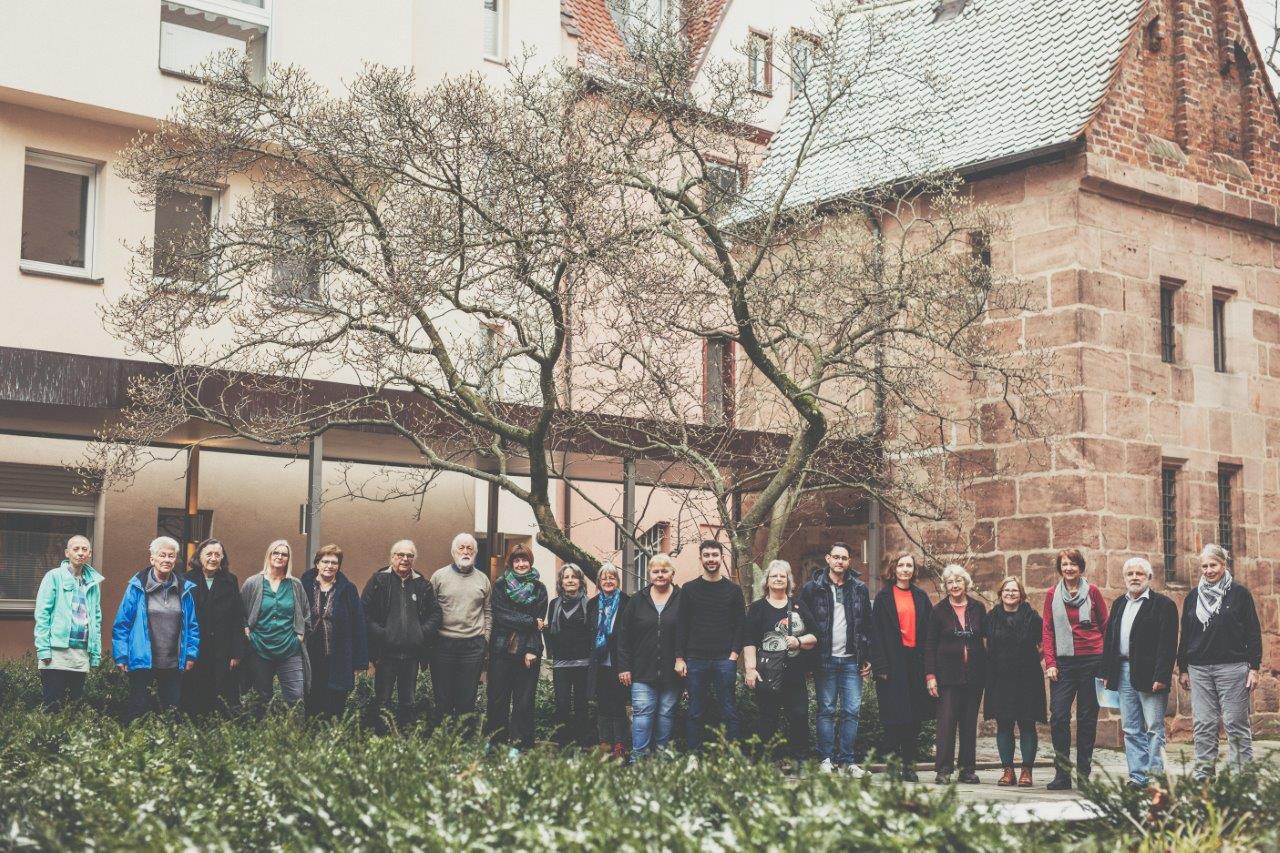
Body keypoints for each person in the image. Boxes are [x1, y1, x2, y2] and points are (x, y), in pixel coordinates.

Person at [1177, 544, 1262, 780]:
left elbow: (1253, 632)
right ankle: (1204, 772)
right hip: (1199, 669)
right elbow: (1186, 634)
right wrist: (1183, 668)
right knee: (1204, 723)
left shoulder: (1239, 594)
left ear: (1223, 565)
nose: (1208, 570)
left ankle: (1242, 775)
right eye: (1204, 566)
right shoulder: (1193, 596)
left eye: (1213, 565)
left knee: (1236, 722)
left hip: (1233, 668)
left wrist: (1254, 668)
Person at [1101, 557, 1178, 788]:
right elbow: (1110, 640)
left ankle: (1156, 776)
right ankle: (1137, 775)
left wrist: (1162, 676)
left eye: (1139, 574)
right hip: (1123, 671)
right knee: (1131, 728)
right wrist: (1107, 671)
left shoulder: (1163, 605)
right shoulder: (1118, 604)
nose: (1134, 577)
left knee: (1154, 727)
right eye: (1130, 574)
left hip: (1150, 674)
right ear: (1124, 578)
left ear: (1149, 578)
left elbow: (1168, 644)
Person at [800, 541, 874, 775]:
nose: (840, 561)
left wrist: (867, 656)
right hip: (825, 659)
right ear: (828, 559)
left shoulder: (859, 588)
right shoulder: (812, 588)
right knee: (826, 710)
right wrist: (809, 661)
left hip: (852, 659)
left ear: (849, 561)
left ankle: (848, 761)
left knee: (852, 711)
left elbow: (867, 625)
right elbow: (804, 625)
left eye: (844, 557)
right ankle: (826, 759)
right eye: (836, 557)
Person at [112, 536, 200, 723]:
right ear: (152, 559)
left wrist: (191, 654)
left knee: (172, 712)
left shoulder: (184, 589)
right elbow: (122, 623)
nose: (167, 560)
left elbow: (192, 625)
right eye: (162, 555)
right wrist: (121, 654)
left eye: (171, 556)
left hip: (173, 663)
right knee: (138, 711)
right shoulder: (137, 587)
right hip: (143, 661)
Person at [1042, 548, 1108, 790]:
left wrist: (1107, 664)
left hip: (1092, 660)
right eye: (1064, 564)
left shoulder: (1093, 592)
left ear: (1081, 567)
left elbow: (1105, 626)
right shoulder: (1052, 594)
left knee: (1086, 718)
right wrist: (1050, 663)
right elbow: (1047, 630)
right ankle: (1062, 774)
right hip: (1063, 663)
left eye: (1073, 564)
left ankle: (1083, 775)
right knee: (1058, 716)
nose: (1068, 568)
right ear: (1060, 568)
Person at [742, 560, 817, 765]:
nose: (778, 579)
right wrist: (750, 669)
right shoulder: (758, 608)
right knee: (767, 718)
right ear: (767, 581)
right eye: (774, 576)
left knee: (799, 716)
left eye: (782, 576)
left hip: (794, 674)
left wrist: (799, 641)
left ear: (788, 581)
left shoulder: (799, 605)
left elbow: (815, 636)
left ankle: (800, 760)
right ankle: (763, 761)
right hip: (767, 673)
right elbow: (748, 640)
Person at [869, 552, 935, 780]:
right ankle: (892, 765)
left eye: (910, 565)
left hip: (915, 663)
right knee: (894, 718)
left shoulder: (921, 597)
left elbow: (929, 633)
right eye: (901, 565)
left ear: (913, 570)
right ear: (894, 569)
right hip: (891, 663)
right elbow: (875, 634)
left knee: (914, 718)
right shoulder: (883, 597)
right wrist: (880, 667)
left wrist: (930, 667)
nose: (905, 569)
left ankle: (909, 766)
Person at [361, 539, 440, 729]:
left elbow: (436, 613)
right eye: (401, 555)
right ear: (392, 557)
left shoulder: (422, 584)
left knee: (408, 702)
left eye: (410, 556)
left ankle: (406, 742)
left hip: (412, 655)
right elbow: (363, 612)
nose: (405, 559)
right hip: (385, 654)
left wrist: (421, 632)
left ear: (414, 559)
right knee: (383, 700)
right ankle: (380, 741)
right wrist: (381, 633)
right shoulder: (378, 580)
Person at [675, 540, 744, 751]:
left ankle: (732, 755)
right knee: (695, 710)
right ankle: (694, 754)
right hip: (695, 660)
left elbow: (741, 626)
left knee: (728, 710)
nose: (711, 559)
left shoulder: (733, 590)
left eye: (715, 555)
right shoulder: (688, 589)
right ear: (701, 559)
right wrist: (679, 658)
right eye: (707, 555)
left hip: (725, 660)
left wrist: (733, 655)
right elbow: (681, 626)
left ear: (722, 557)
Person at [617, 553, 683, 759]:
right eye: (656, 571)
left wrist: (683, 660)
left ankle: (662, 760)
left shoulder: (682, 599)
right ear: (649, 574)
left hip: (673, 672)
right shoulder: (637, 600)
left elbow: (689, 633)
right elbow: (623, 635)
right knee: (642, 716)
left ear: (672, 574)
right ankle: (638, 759)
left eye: (664, 571)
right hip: (642, 670)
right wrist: (624, 666)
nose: (660, 575)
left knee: (665, 716)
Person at [925, 564, 987, 785]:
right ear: (945, 586)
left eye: (958, 581)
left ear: (965, 583)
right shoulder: (938, 610)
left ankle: (967, 769)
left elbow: (987, 637)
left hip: (974, 676)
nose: (954, 585)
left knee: (969, 723)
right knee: (946, 723)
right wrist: (930, 676)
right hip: (947, 677)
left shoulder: (978, 608)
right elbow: (930, 645)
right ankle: (943, 769)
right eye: (950, 582)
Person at [983, 576, 1046, 787]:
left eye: (1015, 590)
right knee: (1004, 724)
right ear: (1000, 594)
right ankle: (1008, 770)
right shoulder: (991, 617)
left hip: (1027, 677)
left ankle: (1026, 770)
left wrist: (1031, 660)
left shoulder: (1032, 617)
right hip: (999, 677)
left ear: (1021, 594)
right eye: (1007, 590)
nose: (1010, 594)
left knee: (1027, 723)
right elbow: (984, 643)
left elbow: (1044, 643)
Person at [484, 543, 547, 750]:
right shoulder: (500, 585)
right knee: (497, 700)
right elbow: (501, 616)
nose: (521, 564)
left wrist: (532, 649)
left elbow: (540, 620)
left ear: (530, 562)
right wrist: (529, 621)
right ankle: (496, 744)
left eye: (524, 560)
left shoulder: (540, 588)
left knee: (524, 702)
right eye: (517, 560)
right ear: (511, 563)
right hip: (501, 651)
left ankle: (521, 746)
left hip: (527, 653)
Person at [33, 535, 104, 710]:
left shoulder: (93, 583)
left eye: (84, 549)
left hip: (80, 654)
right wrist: (43, 649)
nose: (80, 553)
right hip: (56, 653)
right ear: (67, 553)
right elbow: (42, 614)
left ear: (89, 554)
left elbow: (96, 619)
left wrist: (95, 654)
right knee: (53, 707)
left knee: (75, 707)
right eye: (76, 549)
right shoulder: (53, 577)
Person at [429, 533, 491, 727]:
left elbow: (488, 611)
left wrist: (485, 639)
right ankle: (443, 744)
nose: (465, 552)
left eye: (469, 548)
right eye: (461, 548)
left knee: (467, 700)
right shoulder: (439, 577)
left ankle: (464, 746)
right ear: (453, 552)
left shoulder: (483, 579)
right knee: (443, 699)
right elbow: (429, 609)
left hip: (473, 646)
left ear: (475, 552)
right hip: (443, 645)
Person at [302, 544, 369, 719]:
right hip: (310, 655)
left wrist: (359, 662)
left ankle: (332, 739)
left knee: (335, 702)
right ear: (317, 563)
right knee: (311, 699)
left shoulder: (348, 589)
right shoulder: (304, 585)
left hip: (337, 656)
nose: (329, 566)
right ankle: (311, 739)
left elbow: (358, 625)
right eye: (325, 561)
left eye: (334, 562)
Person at [182, 538, 246, 717]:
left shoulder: (230, 580)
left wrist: (237, 652)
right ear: (199, 557)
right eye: (209, 554)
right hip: (196, 648)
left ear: (223, 558)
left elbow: (237, 618)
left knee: (221, 696)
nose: (213, 558)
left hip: (223, 649)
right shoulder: (186, 580)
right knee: (194, 695)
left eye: (218, 554)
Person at [241, 539, 309, 709]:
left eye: (284, 554)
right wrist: (249, 634)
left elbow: (306, 614)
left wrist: (299, 637)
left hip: (290, 649)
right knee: (261, 698)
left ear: (288, 558)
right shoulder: (253, 582)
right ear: (269, 556)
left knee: (296, 697)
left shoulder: (295, 584)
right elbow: (240, 613)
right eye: (275, 553)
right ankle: (263, 734)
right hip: (260, 648)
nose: (280, 557)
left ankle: (293, 734)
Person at [545, 563, 592, 748]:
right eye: (566, 577)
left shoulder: (590, 603)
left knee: (581, 706)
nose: (570, 580)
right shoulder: (554, 604)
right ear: (561, 582)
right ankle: (563, 746)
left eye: (574, 577)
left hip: (583, 662)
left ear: (580, 581)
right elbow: (551, 633)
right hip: (561, 663)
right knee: (562, 705)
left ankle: (581, 745)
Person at [586, 562, 630, 758]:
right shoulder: (592, 604)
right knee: (602, 705)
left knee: (618, 705)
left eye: (612, 577)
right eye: (604, 578)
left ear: (617, 581)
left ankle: (620, 745)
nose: (608, 581)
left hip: (620, 664)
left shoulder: (628, 602)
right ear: (598, 582)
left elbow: (631, 636)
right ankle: (604, 743)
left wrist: (627, 665)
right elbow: (589, 633)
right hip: (599, 663)